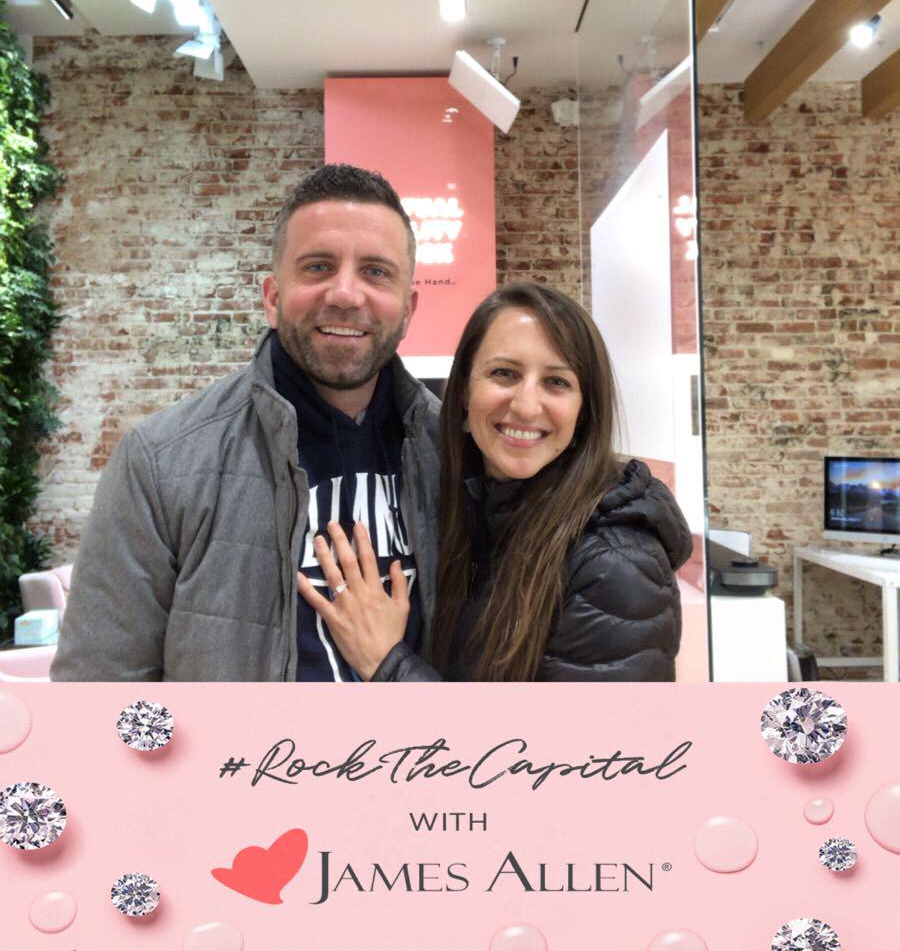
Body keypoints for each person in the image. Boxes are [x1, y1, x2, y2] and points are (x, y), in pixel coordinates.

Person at [51, 164, 440, 681]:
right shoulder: (160, 463)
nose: (345, 294)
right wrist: (192, 738)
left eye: (375, 272)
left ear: (408, 310)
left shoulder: (456, 453)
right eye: (318, 267)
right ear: (273, 298)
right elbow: (100, 696)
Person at [298, 281, 692, 682]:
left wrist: (386, 662)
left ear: (584, 410)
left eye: (556, 382)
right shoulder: (474, 512)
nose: (526, 406)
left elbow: (590, 727)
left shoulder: (615, 564)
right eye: (504, 373)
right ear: (464, 391)